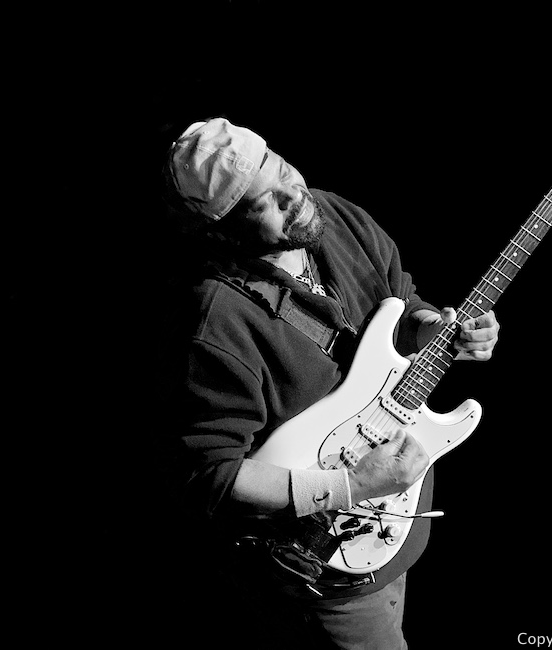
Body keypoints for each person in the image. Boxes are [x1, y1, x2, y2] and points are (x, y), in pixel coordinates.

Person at [157, 117, 500, 648]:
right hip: (330, 565)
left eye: (282, 169)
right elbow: (209, 476)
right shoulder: (216, 322)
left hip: (396, 518)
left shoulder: (333, 215)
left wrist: (434, 326)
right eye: (266, 202)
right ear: (226, 230)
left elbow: (400, 298)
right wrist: (354, 487)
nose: (295, 194)